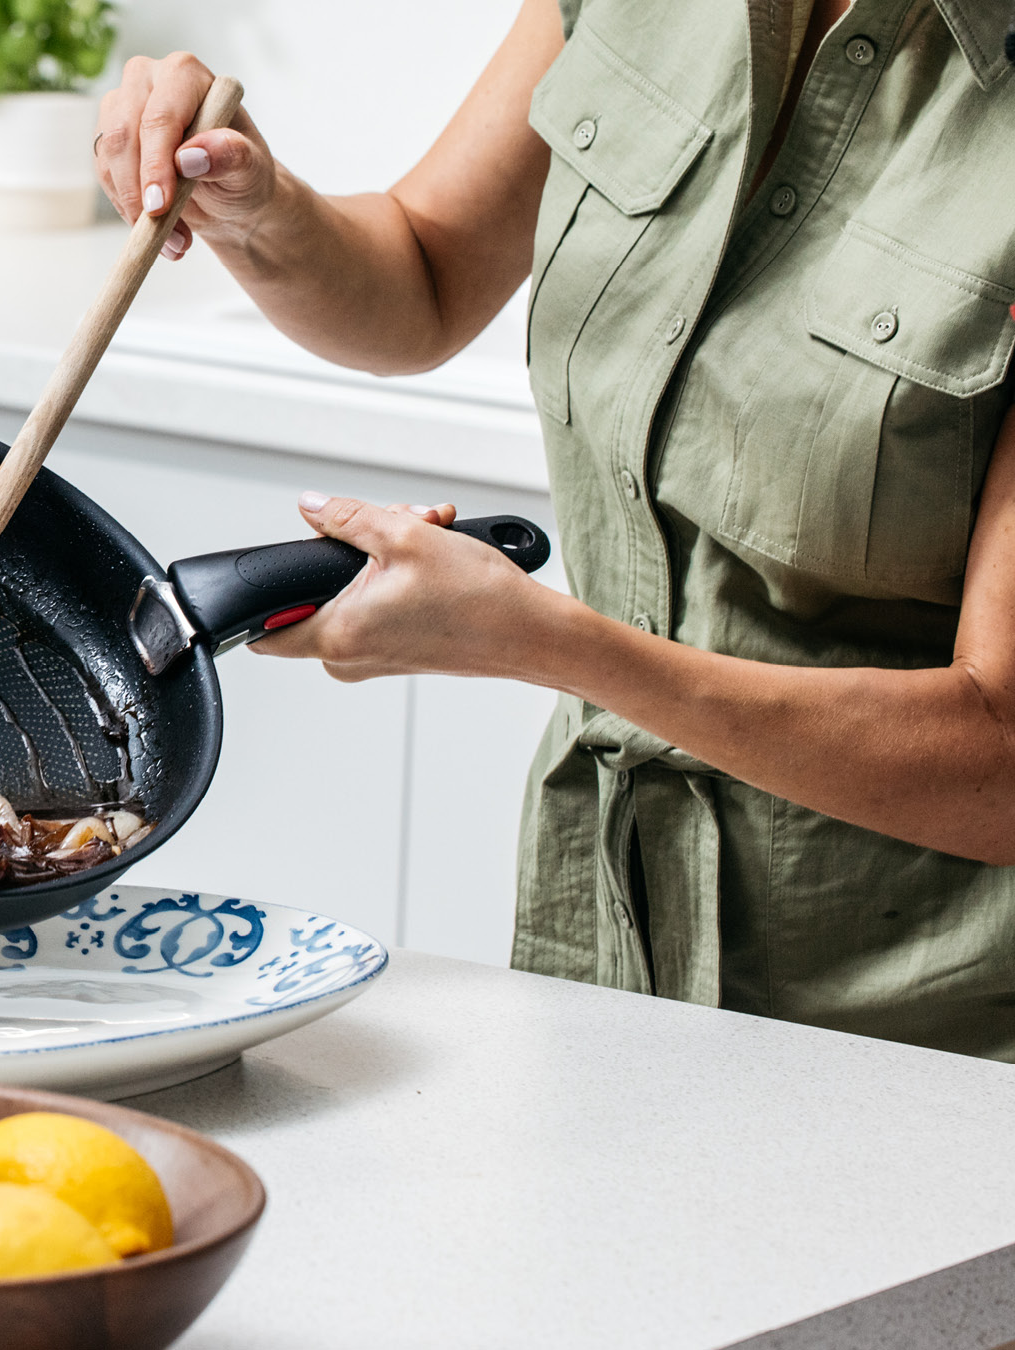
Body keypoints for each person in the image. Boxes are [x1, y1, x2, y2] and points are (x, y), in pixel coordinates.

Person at [93, 0, 1015, 1058]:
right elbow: (425, 274)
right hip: (608, 950)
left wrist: (541, 640)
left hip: (926, 1042)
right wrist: (256, 209)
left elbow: (1002, 754)